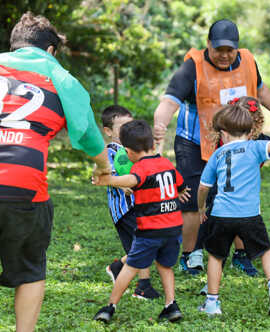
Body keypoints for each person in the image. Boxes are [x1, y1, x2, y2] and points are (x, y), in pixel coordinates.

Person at [153, 19, 270, 275]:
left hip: (237, 141)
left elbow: (261, 91)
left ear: (237, 48)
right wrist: (160, 125)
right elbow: (169, 101)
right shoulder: (192, 67)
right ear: (208, 45)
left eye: (230, 50)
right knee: (193, 196)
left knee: (238, 194)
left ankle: (241, 254)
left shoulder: (248, 61)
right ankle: (191, 254)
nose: (225, 55)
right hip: (194, 143)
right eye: (219, 49)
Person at [0, 12, 111, 332]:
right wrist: (103, 168)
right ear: (50, 51)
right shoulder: (61, 78)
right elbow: (90, 137)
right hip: (24, 190)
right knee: (31, 270)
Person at [197, 103, 270, 317]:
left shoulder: (218, 154)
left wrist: (202, 207)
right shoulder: (256, 147)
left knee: (216, 256)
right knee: (266, 251)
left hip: (220, 214)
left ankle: (212, 303)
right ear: (250, 132)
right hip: (249, 215)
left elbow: (203, 187)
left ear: (223, 133)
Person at [92, 120, 190, 324]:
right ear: (153, 145)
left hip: (150, 230)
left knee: (130, 267)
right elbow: (179, 183)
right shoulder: (166, 163)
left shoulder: (141, 168)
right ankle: (171, 305)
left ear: (127, 151)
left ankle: (110, 307)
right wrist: (180, 192)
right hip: (172, 228)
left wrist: (109, 180)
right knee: (165, 266)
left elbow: (132, 180)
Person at [101, 105, 160, 299]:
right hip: (125, 208)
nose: (129, 130)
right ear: (109, 131)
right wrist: (122, 185)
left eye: (131, 125)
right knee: (144, 242)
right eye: (122, 127)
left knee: (140, 245)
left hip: (140, 204)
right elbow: (108, 173)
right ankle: (142, 286)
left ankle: (121, 269)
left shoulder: (134, 149)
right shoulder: (110, 151)